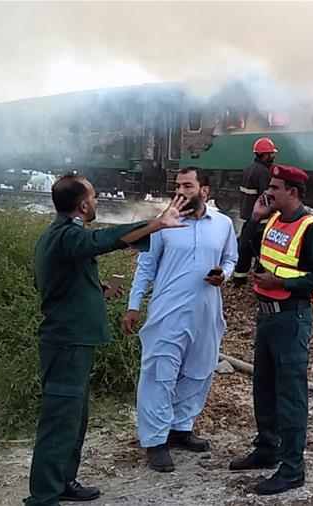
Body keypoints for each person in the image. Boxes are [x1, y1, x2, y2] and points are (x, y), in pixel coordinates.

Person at [26, 174, 190, 506]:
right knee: (60, 421)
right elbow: (103, 241)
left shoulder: (55, 235)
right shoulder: (69, 236)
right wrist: (156, 224)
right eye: (95, 197)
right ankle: (43, 497)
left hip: (73, 341)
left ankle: (63, 481)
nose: (98, 201)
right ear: (82, 204)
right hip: (67, 342)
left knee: (74, 417)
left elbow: (54, 281)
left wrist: (95, 290)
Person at [121, 167, 239, 473]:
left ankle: (181, 428)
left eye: (188, 185)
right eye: (178, 186)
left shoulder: (223, 224)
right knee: (160, 373)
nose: (181, 191)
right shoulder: (164, 224)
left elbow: (230, 259)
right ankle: (155, 441)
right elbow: (146, 267)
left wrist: (223, 274)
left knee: (198, 371)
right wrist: (134, 306)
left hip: (206, 311)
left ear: (205, 191)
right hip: (168, 312)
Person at [228, 165, 313, 495]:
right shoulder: (271, 219)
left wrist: (282, 282)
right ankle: (267, 448)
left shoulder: (311, 229)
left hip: (291, 318)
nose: (268, 190)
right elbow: (246, 252)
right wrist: (255, 218)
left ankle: (292, 468)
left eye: (275, 187)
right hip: (267, 317)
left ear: (293, 192)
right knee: (264, 387)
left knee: (290, 394)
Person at [232, 137, 276, 286]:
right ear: (265, 155)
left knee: (244, 249)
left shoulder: (249, 168)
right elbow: (266, 198)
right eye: (271, 153)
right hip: (260, 221)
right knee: (261, 250)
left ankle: (239, 278)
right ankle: (261, 277)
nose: (273, 156)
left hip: (248, 218)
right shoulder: (263, 172)